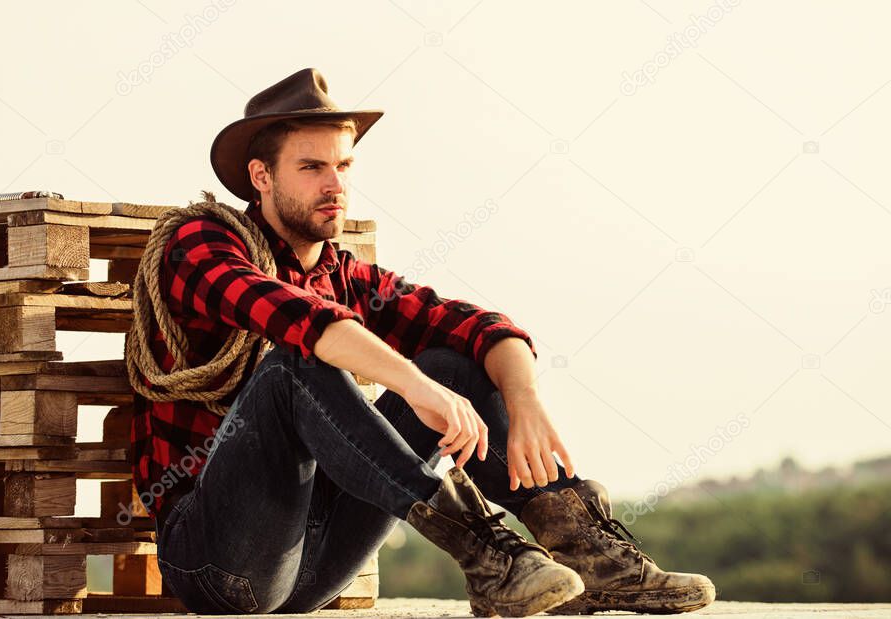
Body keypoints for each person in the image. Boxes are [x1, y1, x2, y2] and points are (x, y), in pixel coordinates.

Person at [131, 67, 715, 616]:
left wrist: (523, 399)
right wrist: (413, 386)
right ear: (261, 176)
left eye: (344, 166)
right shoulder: (200, 243)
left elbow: (481, 325)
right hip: (218, 563)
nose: (335, 185)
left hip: (315, 563)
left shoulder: (344, 276)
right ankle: (486, 551)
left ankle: (585, 553)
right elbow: (294, 317)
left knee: (457, 363)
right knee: (294, 366)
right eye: (312, 168)